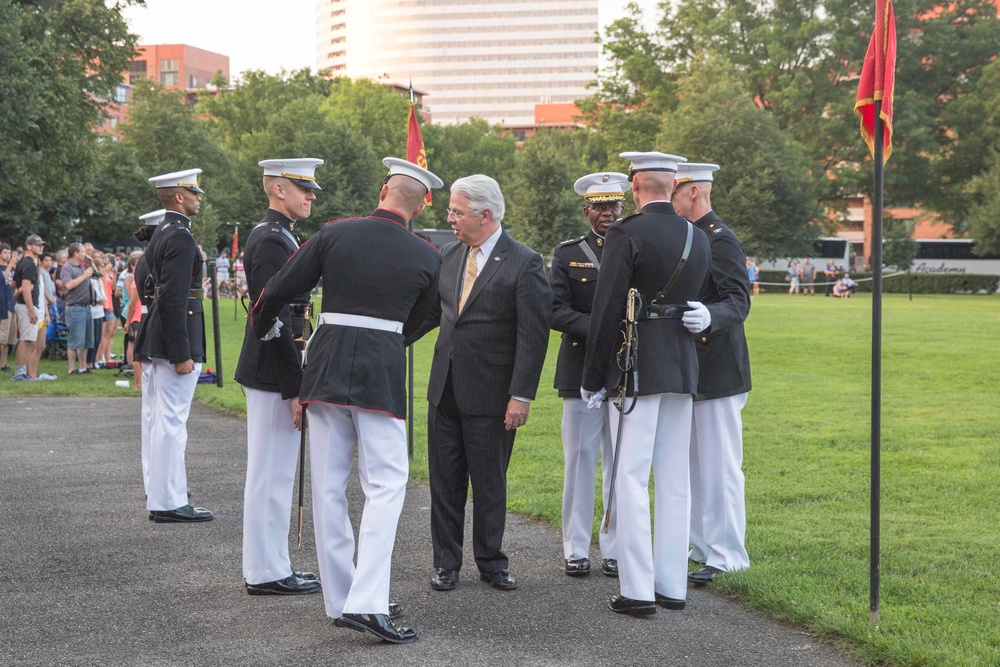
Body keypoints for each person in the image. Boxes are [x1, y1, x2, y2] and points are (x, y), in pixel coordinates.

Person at [251, 157, 443, 644]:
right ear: (421, 205)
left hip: (327, 360)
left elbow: (277, 290)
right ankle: (366, 600)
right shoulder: (426, 254)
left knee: (329, 486)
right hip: (379, 366)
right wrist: (393, 339)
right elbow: (427, 316)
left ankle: (343, 598)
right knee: (385, 484)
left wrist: (264, 323)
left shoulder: (336, 233)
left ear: (382, 191)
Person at [408, 174, 551, 597]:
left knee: (489, 484)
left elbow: (533, 336)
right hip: (444, 391)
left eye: (456, 211)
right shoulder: (449, 254)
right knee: (445, 483)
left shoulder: (525, 262)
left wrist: (520, 395)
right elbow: (432, 314)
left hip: (493, 396)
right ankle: (446, 564)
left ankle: (491, 562)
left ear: (485, 215)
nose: (449, 218)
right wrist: (388, 340)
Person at [581, 151, 710, 617]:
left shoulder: (626, 232)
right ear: (672, 186)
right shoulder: (697, 234)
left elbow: (607, 306)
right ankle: (672, 584)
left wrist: (593, 377)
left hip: (636, 364)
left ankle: (637, 589)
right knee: (675, 479)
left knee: (630, 477)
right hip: (681, 363)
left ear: (635, 187)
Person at [235, 158, 325, 598]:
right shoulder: (271, 240)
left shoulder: (281, 235)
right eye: (302, 188)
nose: (311, 196)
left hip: (278, 364)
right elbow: (269, 319)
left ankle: (272, 565)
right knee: (270, 473)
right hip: (274, 367)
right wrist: (294, 387)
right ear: (277, 189)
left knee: (275, 472)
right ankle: (265, 571)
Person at [671, 162, 753, 585]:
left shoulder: (720, 239)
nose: (669, 199)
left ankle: (728, 553)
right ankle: (702, 545)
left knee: (720, 464)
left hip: (718, 366)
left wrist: (712, 314)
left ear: (693, 193)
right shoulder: (689, 236)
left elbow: (738, 300)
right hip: (692, 368)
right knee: (693, 463)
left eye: (673, 192)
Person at [549, 171, 627, 579]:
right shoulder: (568, 254)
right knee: (580, 460)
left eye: (614, 205)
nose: (608, 213)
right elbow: (555, 310)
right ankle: (576, 548)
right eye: (600, 206)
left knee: (618, 463)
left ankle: (613, 547)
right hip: (579, 369)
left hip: (623, 370)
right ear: (587, 211)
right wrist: (601, 326)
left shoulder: (634, 248)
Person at [134, 168, 214, 524]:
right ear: (179, 196)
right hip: (173, 341)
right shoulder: (179, 236)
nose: (200, 197)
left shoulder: (163, 232)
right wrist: (181, 352)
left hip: (157, 337)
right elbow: (172, 299)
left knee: (158, 420)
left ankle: (164, 492)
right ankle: (167, 501)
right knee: (171, 421)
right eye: (194, 192)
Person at [11, 235, 50, 381]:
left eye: (42, 245)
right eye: (38, 245)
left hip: (25, 304)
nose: (41, 247)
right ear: (29, 246)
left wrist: (20, 289)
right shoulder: (29, 264)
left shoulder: (23, 262)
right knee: (26, 341)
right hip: (28, 305)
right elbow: (26, 288)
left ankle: (24, 373)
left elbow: (14, 285)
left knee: (31, 341)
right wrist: (32, 310)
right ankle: (20, 374)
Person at [61, 244, 96, 375]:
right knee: (75, 339)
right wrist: (84, 275)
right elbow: (68, 285)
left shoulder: (83, 267)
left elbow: (99, 274)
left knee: (86, 340)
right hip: (75, 307)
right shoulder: (67, 268)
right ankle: (71, 368)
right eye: (82, 252)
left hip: (86, 307)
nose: (85, 254)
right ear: (75, 253)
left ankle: (82, 367)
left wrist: (91, 262)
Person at [1, 243, 18, 373]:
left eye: (9, 252)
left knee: (8, 340)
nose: (8, 255)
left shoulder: (13, 268)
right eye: (5, 252)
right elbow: (2, 280)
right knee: (2, 337)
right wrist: (11, 265)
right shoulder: (4, 268)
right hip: (3, 305)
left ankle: (4, 363)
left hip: (12, 305)